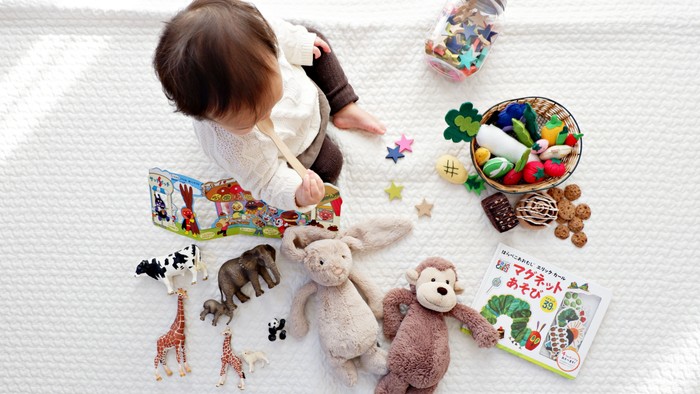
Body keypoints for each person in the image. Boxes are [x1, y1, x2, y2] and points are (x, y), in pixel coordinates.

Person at [153, 0, 385, 211]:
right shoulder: (235, 149)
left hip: (306, 95)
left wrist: (298, 44)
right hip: (295, 145)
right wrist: (298, 194)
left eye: (271, 102)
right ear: (208, 117)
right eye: (251, 120)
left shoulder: (259, 35)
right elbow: (267, 181)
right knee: (330, 165)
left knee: (315, 43)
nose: (268, 115)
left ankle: (343, 105)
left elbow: (280, 33)